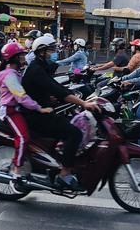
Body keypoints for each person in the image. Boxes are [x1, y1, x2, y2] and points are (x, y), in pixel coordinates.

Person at [21, 35, 100, 191]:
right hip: (36, 115)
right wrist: (83, 103)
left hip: (43, 109)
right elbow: (57, 89)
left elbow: (54, 87)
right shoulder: (36, 69)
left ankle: (58, 163)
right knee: (74, 133)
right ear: (41, 52)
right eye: (51, 50)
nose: (54, 53)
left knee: (69, 122)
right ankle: (64, 174)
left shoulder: (41, 66)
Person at [0, 42, 52, 187]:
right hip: (10, 112)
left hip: (17, 110)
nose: (24, 58)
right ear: (14, 59)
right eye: (21, 56)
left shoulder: (15, 73)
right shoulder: (10, 75)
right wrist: (39, 108)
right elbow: (21, 96)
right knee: (23, 138)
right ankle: (16, 173)